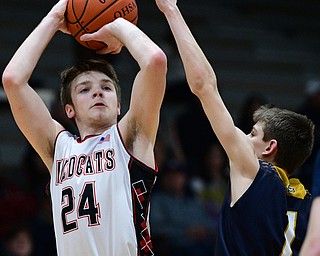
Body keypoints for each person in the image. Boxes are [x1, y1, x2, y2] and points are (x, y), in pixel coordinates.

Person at [2, 0, 167, 255]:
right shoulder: (58, 148)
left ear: (119, 105)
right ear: (70, 109)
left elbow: (155, 61)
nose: (97, 92)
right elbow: (13, 80)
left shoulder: (131, 137)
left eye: (106, 87)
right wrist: (56, 16)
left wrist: (117, 26)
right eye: (85, 89)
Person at [155, 0, 314, 255]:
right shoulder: (306, 201)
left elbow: (204, 86)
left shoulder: (255, 172)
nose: (244, 138)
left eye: (252, 134)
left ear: (270, 147)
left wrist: (170, 10)